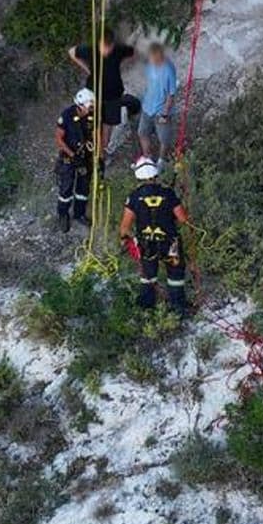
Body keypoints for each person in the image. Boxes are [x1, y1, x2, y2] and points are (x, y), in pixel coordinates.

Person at [119, 157, 191, 314]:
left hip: (146, 245)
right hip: (170, 243)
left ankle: (146, 309)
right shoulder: (168, 193)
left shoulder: (133, 197)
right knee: (175, 274)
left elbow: (125, 226)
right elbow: (183, 219)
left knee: (148, 275)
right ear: (155, 174)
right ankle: (178, 308)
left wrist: (125, 240)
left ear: (138, 177)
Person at [68, 28, 136, 166]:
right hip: (95, 95)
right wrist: (87, 68)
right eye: (103, 46)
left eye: (108, 46)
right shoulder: (90, 50)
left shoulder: (118, 50)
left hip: (113, 95)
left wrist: (120, 65)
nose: (106, 50)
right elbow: (72, 52)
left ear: (112, 44)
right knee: (94, 125)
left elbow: (133, 53)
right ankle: (95, 154)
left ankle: (101, 153)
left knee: (107, 127)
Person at [54, 88, 97, 233]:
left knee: (83, 188)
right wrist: (73, 155)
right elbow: (59, 139)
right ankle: (63, 214)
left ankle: (79, 213)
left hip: (86, 157)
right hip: (69, 157)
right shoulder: (67, 116)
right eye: (90, 105)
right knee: (66, 188)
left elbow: (97, 136)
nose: (92, 108)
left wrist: (99, 157)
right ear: (81, 105)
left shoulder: (92, 116)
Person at [137, 43, 180, 167]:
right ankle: (147, 158)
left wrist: (165, 113)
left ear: (158, 55)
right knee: (142, 133)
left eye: (152, 57)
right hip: (147, 107)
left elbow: (171, 94)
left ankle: (161, 161)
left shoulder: (169, 69)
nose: (150, 59)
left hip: (161, 110)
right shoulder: (149, 66)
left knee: (164, 138)